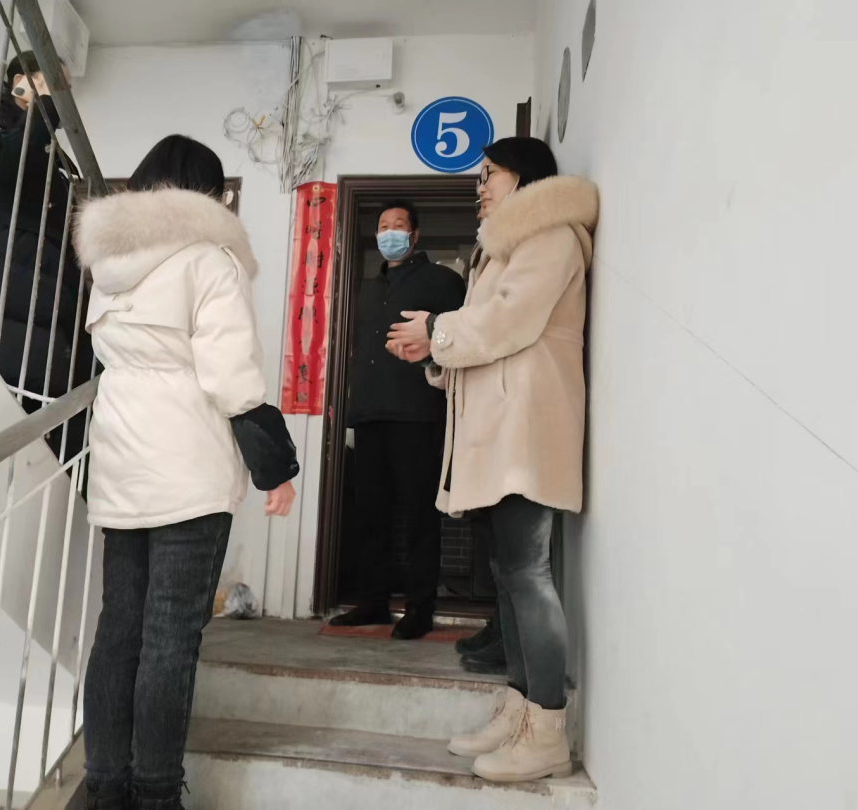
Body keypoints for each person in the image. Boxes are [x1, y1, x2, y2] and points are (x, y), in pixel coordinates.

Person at [74, 135, 300, 809]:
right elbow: (231, 376)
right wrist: (275, 467)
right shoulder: (208, 259)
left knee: (119, 629)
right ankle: (156, 793)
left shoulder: (108, 265)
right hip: (188, 464)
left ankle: (105, 787)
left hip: (120, 460)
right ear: (208, 195)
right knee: (170, 635)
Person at [386, 137, 598, 782]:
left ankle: (547, 729)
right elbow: (484, 335)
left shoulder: (549, 235)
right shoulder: (503, 247)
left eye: (489, 174)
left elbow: (510, 321)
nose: (479, 187)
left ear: (523, 177)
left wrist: (437, 331)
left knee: (527, 572)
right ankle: (519, 708)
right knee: (508, 574)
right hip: (500, 429)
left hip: (526, 427)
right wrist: (434, 348)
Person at [331, 201, 466, 640]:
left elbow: (459, 341)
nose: (389, 232)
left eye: (398, 225)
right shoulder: (371, 287)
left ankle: (420, 608)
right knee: (369, 514)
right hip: (369, 414)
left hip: (418, 415)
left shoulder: (442, 282)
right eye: (383, 226)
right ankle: (372, 602)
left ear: (415, 235)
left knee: (420, 516)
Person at [0, 52, 91, 439]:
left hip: (39, 292)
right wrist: (44, 109)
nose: (61, 95)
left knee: (47, 415)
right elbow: (7, 163)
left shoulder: (48, 147)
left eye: (64, 88)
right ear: (19, 81)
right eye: (53, 83)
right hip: (1, 284)